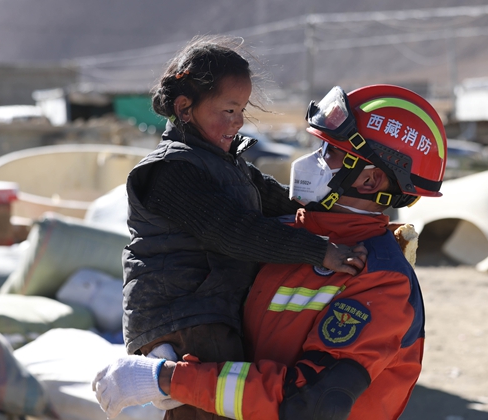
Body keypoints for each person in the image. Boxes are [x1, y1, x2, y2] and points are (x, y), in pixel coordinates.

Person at [94, 84, 447, 419]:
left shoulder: (379, 280)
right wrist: (164, 346)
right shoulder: (284, 235)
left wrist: (169, 379)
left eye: (332, 153)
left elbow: (311, 404)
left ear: (370, 181)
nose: (313, 160)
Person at [122, 36, 368, 419]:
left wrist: (350, 219)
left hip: (212, 312)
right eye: (228, 109)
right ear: (185, 108)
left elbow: (284, 204)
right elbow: (235, 232)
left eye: (242, 109)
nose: (238, 121)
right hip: (183, 319)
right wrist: (320, 251)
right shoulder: (169, 171)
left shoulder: (228, 166)